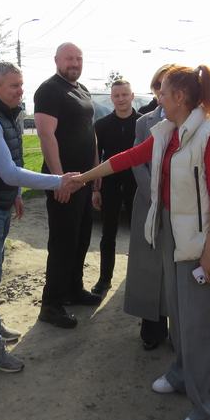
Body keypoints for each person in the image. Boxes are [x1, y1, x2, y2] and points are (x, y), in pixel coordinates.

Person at [74, 64, 210, 420]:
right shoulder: (169, 131)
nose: (158, 99)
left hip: (202, 241)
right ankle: (183, 373)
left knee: (201, 324)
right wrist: (83, 178)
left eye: (163, 93)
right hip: (173, 233)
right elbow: (128, 158)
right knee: (180, 314)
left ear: (180, 97)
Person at [0, 62, 80, 370]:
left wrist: (14, 195)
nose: (20, 91)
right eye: (14, 85)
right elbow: (9, 171)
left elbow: (11, 160)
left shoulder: (8, 113)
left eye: (21, 84)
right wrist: (58, 181)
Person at [34, 42, 102, 329]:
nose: (74, 63)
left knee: (81, 238)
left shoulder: (82, 89)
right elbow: (46, 135)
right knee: (62, 243)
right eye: (69, 58)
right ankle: (51, 304)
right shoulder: (49, 90)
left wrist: (96, 170)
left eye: (78, 58)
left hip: (84, 180)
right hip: (65, 182)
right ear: (56, 60)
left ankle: (73, 289)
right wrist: (59, 179)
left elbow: (90, 132)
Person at [123, 63, 172, 351]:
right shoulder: (144, 122)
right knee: (149, 266)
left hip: (181, 205)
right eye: (158, 86)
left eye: (169, 86)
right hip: (148, 203)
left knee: (177, 266)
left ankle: (180, 330)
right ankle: (152, 327)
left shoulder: (194, 119)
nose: (162, 92)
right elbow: (136, 160)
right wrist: (153, 193)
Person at [90, 79, 140, 295]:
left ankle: (138, 278)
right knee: (108, 234)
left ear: (132, 96)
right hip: (109, 186)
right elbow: (96, 158)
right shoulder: (101, 125)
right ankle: (104, 279)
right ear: (111, 98)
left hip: (137, 186)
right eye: (116, 95)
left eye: (124, 95)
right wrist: (95, 190)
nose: (121, 99)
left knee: (139, 235)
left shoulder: (142, 123)